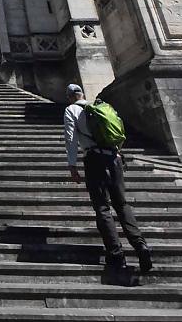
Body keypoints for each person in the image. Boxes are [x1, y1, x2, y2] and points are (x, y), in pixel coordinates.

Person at [64, 83, 152, 274]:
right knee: (122, 204)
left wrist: (72, 165)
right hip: (114, 158)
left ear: (70, 97)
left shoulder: (71, 110)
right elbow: (119, 130)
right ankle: (140, 245)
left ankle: (116, 254)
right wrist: (117, 152)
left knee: (102, 207)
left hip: (94, 159)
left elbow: (70, 138)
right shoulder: (102, 106)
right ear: (82, 94)